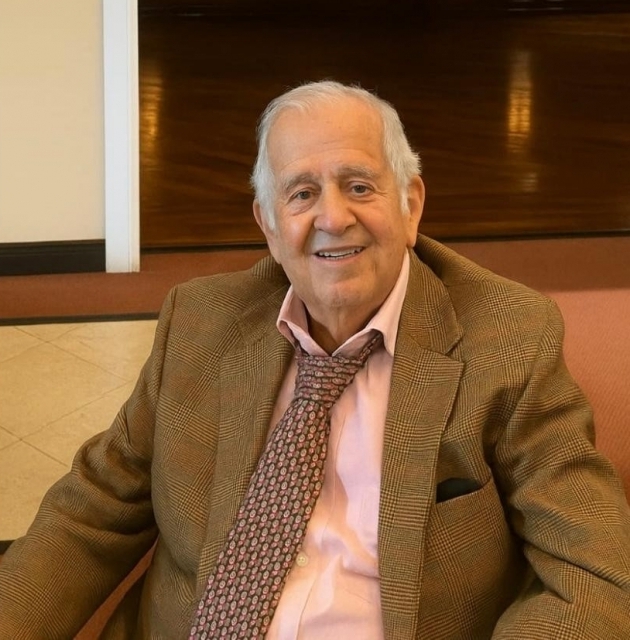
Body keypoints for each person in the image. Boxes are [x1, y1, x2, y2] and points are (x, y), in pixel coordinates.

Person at [1, 80, 629, 639]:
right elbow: (93, 512)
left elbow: (596, 572)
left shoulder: (508, 339)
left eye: (359, 186)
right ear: (269, 225)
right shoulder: (200, 324)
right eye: (302, 194)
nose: (333, 217)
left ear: (410, 205)